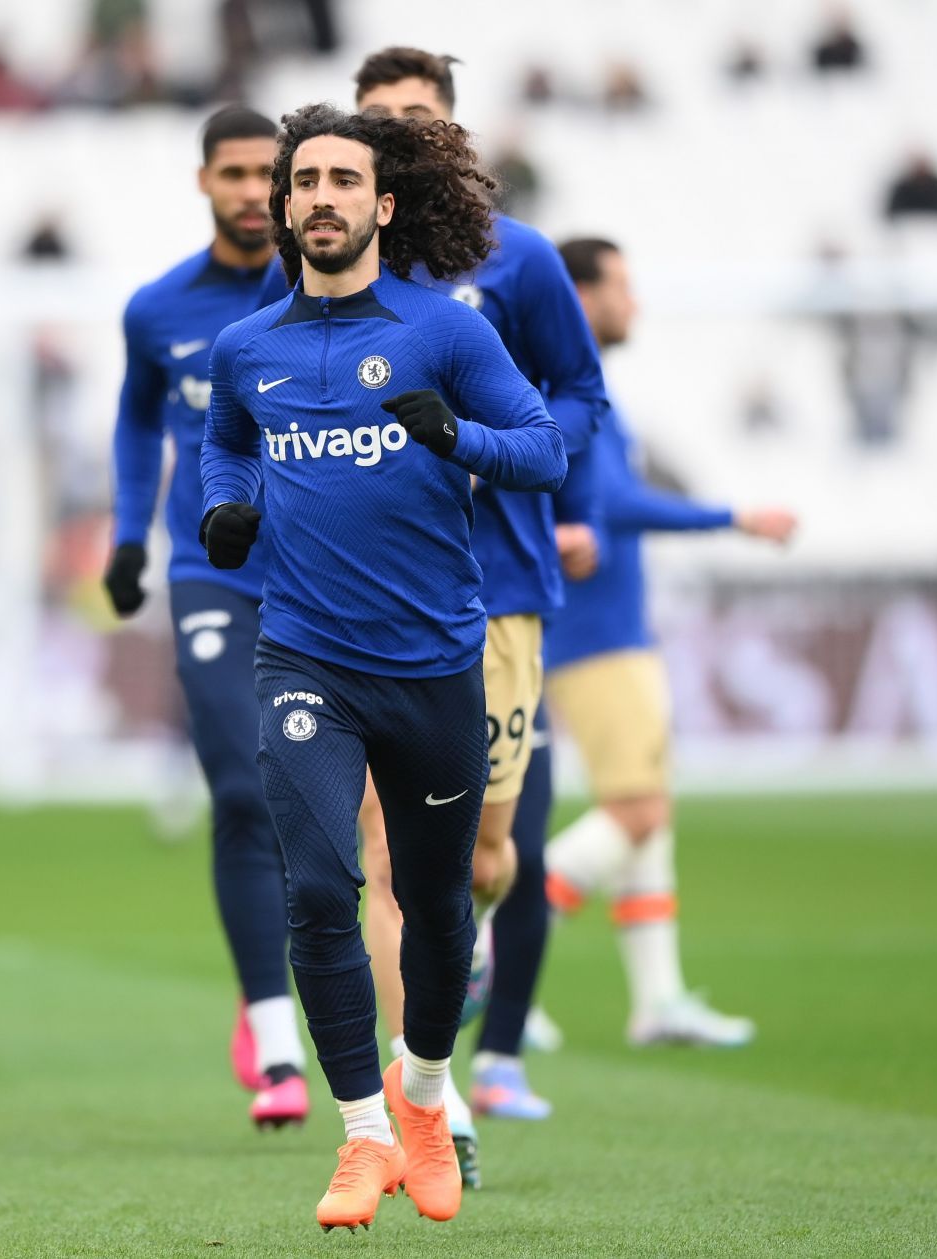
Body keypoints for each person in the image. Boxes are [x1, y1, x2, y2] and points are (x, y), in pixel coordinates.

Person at [199, 103, 568, 1232]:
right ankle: (361, 1135)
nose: (320, 196)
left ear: (382, 204)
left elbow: (546, 450)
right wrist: (227, 503)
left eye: (342, 181)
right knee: (319, 885)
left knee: (440, 903)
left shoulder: (444, 333)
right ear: (284, 206)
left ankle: (422, 1095)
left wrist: (455, 438)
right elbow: (225, 437)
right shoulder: (245, 347)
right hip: (305, 654)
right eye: (302, 180)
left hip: (436, 662)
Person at [349, 45, 608, 1170]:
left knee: (484, 854)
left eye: (415, 118)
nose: (394, 139)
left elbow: (579, 399)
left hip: (495, 587)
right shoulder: (322, 273)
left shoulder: (522, 263)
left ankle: (461, 964)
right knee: (386, 854)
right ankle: (424, 1091)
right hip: (357, 592)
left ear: (450, 131)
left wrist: (497, 457)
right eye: (376, 125)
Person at [498, 239, 795, 1081]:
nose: (635, 302)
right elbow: (610, 502)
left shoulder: (574, 384)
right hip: (597, 632)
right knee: (636, 810)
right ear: (577, 295)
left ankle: (656, 998)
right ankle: (491, 943)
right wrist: (732, 516)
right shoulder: (571, 388)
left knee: (649, 820)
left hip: (606, 623)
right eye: (620, 286)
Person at [104, 105, 307, 1130]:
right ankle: (275, 1041)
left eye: (259, 174)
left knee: (322, 808)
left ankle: (275, 960)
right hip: (214, 573)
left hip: (324, 574)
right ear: (203, 181)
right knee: (240, 784)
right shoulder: (157, 310)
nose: (243, 190)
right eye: (228, 171)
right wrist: (129, 537)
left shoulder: (324, 295)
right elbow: (139, 418)